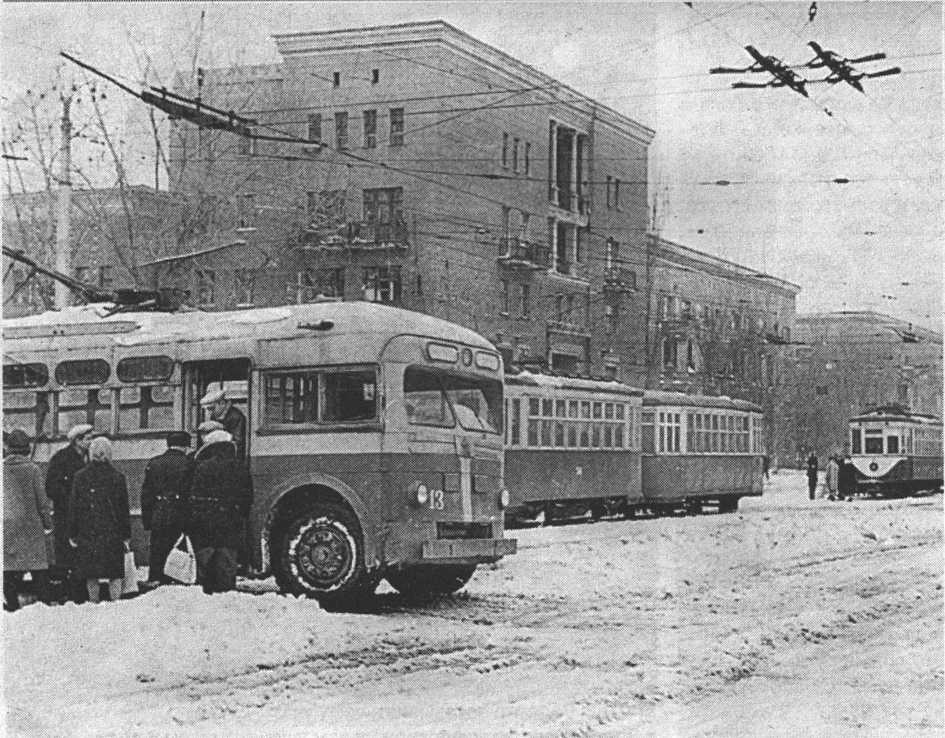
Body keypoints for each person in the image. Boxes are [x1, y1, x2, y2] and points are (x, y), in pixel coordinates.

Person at [187, 429, 253, 594]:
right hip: (231, 519)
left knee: (205, 557)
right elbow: (247, 496)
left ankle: (206, 591)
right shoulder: (240, 467)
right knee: (227, 558)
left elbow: (193, 495)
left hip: (205, 520)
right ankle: (226, 592)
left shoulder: (202, 467)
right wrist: (240, 515)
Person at [68, 437, 131, 603]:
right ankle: (115, 602)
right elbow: (123, 510)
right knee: (114, 572)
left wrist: (73, 532)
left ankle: (93, 602)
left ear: (90, 454)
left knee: (91, 573)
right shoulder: (118, 477)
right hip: (112, 532)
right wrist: (126, 535)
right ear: (109, 454)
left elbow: (74, 507)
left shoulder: (80, 477)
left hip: (89, 531)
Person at [3, 429, 53, 611]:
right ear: (27, 449)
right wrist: (47, 524)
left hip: (7, 527)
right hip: (31, 528)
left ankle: (12, 607)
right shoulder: (33, 470)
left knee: (9, 571)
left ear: (8, 448)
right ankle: (43, 607)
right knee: (38, 570)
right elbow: (42, 502)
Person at [44, 423, 93, 602]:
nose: (91, 441)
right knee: (65, 552)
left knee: (81, 552)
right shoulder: (62, 458)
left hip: (83, 515)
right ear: (77, 441)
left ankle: (79, 590)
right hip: (65, 514)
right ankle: (68, 591)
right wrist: (71, 499)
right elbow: (51, 487)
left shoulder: (89, 457)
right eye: (88, 438)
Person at [141, 431, 195, 585]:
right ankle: (176, 577)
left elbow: (146, 494)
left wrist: (147, 520)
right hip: (181, 512)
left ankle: (157, 578)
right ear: (185, 447)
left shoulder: (154, 463)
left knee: (158, 547)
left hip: (159, 511)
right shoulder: (190, 464)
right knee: (179, 547)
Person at [200, 388, 247, 458]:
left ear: (222, 404)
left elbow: (238, 442)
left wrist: (221, 427)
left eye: (212, 409)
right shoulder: (214, 416)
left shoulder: (236, 416)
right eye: (208, 410)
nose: (210, 413)